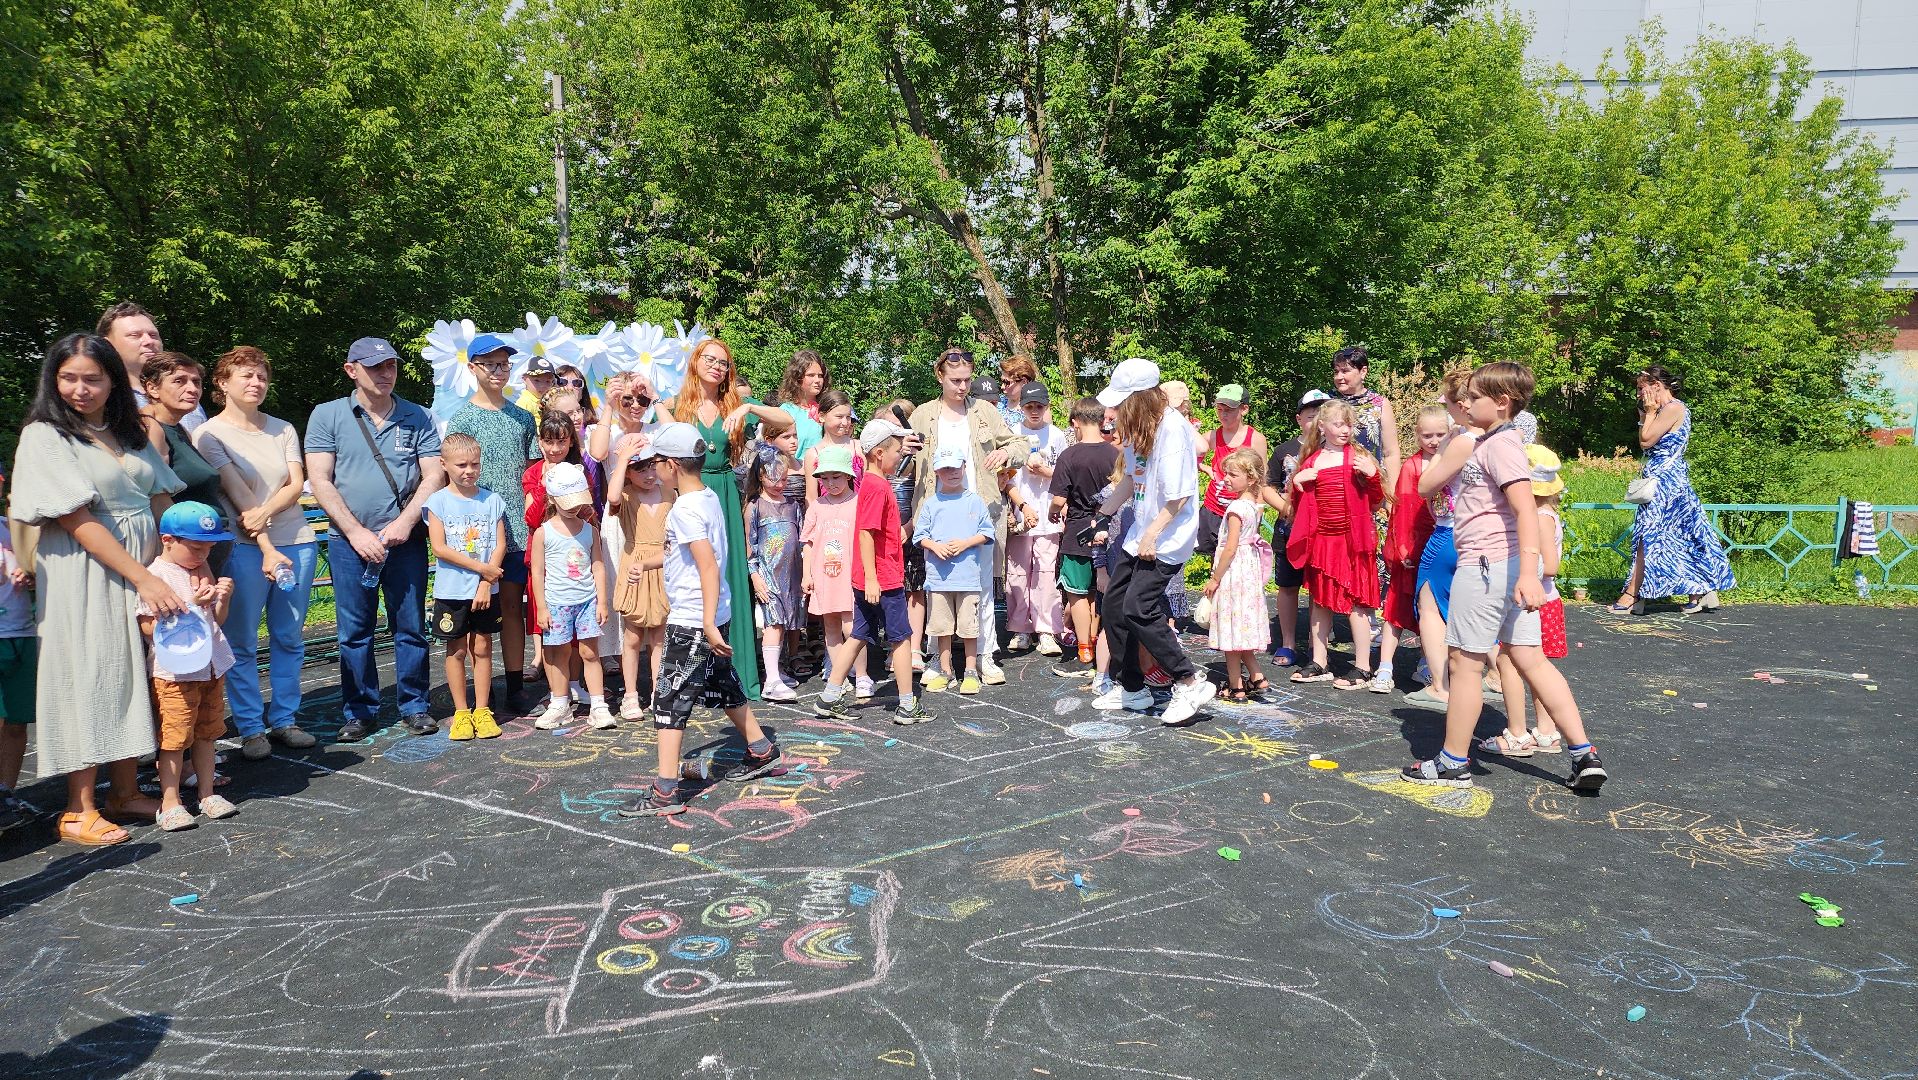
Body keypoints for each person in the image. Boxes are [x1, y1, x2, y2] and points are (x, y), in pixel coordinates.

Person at [11, 333, 186, 846]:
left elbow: (159, 496)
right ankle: (77, 808)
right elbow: (75, 518)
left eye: (93, 378)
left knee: (130, 669)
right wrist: (143, 576)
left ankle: (124, 792)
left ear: (113, 380)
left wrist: (168, 565)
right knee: (89, 673)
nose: (81, 389)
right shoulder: (45, 436)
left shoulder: (126, 432)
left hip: (142, 566)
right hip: (85, 569)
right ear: (53, 379)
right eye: (69, 378)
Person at [1401, 363, 1607, 792]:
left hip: (1486, 566)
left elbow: (1524, 507)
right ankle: (1583, 754)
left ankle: (1452, 761)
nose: (1466, 404)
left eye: (1474, 398)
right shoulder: (1496, 441)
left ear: (1501, 402)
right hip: (1504, 567)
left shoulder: (1495, 445)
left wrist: (1529, 572)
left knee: (1465, 663)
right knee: (1530, 659)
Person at [619, 423, 784, 818]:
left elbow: (708, 567)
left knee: (668, 701)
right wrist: (649, 562)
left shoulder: (685, 509)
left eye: (655, 461)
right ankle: (762, 749)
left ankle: (664, 791)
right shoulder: (705, 497)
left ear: (671, 465)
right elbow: (687, 553)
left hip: (695, 617)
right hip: (713, 612)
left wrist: (707, 624)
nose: (652, 468)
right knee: (723, 684)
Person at [306, 336, 445, 743]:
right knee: (354, 630)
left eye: (391, 366)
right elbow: (319, 479)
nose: (386, 374)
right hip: (349, 542)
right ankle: (359, 710)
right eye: (374, 367)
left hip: (405, 540)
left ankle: (415, 705)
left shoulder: (416, 415)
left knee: (410, 625)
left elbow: (433, 474)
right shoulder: (328, 415)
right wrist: (354, 531)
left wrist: (405, 522)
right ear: (352, 370)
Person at [193, 346, 321, 758]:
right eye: (246, 375)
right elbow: (235, 488)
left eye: (262, 376)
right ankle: (251, 728)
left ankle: (284, 719)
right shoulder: (208, 434)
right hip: (245, 548)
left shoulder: (282, 428)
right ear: (222, 383)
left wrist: (264, 513)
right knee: (243, 640)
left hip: (297, 542)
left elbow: (296, 481)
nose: (256, 383)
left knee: (289, 637)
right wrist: (263, 539)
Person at [661, 338, 794, 702]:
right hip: (690, 495)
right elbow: (663, 441)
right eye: (710, 360)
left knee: (731, 581)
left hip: (724, 496)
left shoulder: (731, 403)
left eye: (723, 363)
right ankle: (693, 677)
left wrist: (749, 407)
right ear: (695, 362)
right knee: (696, 580)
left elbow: (787, 419)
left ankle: (737, 676)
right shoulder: (677, 404)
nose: (717, 367)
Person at [1088, 357, 1217, 726]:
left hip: (1167, 534)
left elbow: (1177, 497)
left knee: (1139, 608)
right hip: (1141, 531)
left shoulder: (1173, 430)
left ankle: (1188, 681)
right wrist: (1102, 515)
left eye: (1121, 401)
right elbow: (1131, 479)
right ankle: (1132, 688)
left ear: (1141, 397)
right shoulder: (1141, 428)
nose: (1114, 409)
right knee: (1114, 606)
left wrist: (1151, 534)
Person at [909, 348, 1026, 686]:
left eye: (967, 380)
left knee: (982, 588)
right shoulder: (922, 415)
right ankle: (937, 659)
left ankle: (986, 656)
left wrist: (1006, 452)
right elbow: (899, 453)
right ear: (939, 377)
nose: (962, 387)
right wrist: (902, 449)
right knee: (937, 590)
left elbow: (1020, 444)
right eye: (955, 380)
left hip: (980, 513)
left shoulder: (986, 411)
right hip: (937, 514)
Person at [814, 419, 934, 725]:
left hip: (872, 576)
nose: (900, 456)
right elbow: (866, 533)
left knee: (858, 634)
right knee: (902, 638)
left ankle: (829, 697)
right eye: (896, 450)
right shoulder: (877, 486)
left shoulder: (870, 484)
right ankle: (908, 705)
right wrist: (872, 577)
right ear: (879, 453)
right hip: (883, 578)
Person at [446, 333, 540, 712]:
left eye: (505, 364)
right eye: (490, 365)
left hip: (517, 530)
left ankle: (515, 685)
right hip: (474, 538)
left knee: (514, 609)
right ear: (473, 369)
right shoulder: (462, 418)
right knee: (476, 612)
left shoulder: (522, 417)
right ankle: (477, 692)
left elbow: (534, 472)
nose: (499, 372)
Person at [137, 502, 240, 831]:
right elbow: (149, 630)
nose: (203, 554)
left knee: (207, 733)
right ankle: (170, 802)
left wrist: (222, 600)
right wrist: (192, 609)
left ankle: (206, 794)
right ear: (168, 540)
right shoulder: (155, 577)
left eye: (209, 547)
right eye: (196, 547)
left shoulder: (202, 567)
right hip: (176, 672)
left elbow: (217, 622)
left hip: (211, 665)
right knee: (174, 736)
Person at [1611, 365, 1734, 615]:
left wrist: (1649, 412)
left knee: (1651, 534)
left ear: (1657, 385)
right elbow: (1647, 446)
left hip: (1667, 482)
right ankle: (1701, 591)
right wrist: (1647, 413)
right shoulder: (1658, 411)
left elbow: (1645, 440)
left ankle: (1633, 594)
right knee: (1680, 534)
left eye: (1641, 388)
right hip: (1662, 479)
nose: (1639, 394)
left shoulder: (1674, 408)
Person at [1284, 400, 1384, 686]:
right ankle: (1319, 661)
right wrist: (1297, 481)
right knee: (1319, 601)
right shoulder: (1313, 460)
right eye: (1339, 424)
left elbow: (1376, 501)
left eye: (1349, 424)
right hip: (1323, 540)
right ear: (1323, 427)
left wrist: (1373, 476)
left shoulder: (1357, 458)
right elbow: (1302, 506)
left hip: (1352, 541)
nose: (1345, 430)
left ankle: (1363, 666)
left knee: (1358, 603)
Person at [1481, 444, 1570, 757]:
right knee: (1533, 667)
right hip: (1542, 599)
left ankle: (1517, 732)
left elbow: (1552, 564)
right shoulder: (1544, 513)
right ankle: (1545, 731)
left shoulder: (1540, 518)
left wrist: (1526, 565)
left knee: (1510, 661)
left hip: (1537, 599)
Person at [425, 433, 508, 741]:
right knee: (457, 649)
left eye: (474, 464)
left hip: (486, 590)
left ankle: (483, 709)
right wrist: (481, 569)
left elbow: (499, 545)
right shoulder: (438, 503)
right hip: (452, 591)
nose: (468, 470)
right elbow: (440, 548)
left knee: (483, 647)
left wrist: (487, 582)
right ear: (444, 465)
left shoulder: (492, 501)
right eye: (461, 465)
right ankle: (462, 712)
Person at [1405, 369, 1478, 709]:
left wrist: (1439, 452)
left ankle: (1439, 685)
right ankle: (1491, 675)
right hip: (1480, 536)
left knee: (1429, 604)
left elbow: (1425, 485)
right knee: (1473, 608)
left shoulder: (1461, 440)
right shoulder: (1494, 437)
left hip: (1450, 531)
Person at [531, 463, 613, 730]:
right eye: (567, 502)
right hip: (556, 604)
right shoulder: (544, 533)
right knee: (558, 653)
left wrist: (602, 600)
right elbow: (538, 573)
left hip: (587, 601)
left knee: (590, 653)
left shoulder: (590, 530)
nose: (574, 507)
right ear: (551, 498)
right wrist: (541, 607)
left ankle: (599, 705)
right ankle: (559, 703)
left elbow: (597, 565)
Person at [1048, 397, 1121, 678]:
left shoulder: (1069, 456)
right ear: (1103, 421)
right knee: (1099, 590)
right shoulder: (1115, 454)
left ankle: (1084, 648)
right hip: (1108, 529)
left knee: (1077, 592)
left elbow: (1058, 498)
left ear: (1075, 422)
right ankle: (1096, 640)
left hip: (1078, 531)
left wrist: (1055, 511)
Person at [915, 444, 994, 695]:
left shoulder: (975, 501)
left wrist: (965, 543)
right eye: (945, 468)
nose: (951, 472)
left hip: (968, 577)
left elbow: (986, 533)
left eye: (955, 466)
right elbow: (920, 536)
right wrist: (935, 547)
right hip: (939, 579)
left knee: (970, 627)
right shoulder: (931, 503)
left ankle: (971, 670)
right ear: (936, 472)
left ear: (964, 467)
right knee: (941, 627)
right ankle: (945, 670)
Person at [1259, 390, 1326, 667]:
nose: (1316, 422)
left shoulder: (1333, 451)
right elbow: (1267, 486)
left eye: (1322, 416)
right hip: (1288, 529)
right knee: (1288, 586)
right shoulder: (1283, 450)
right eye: (1311, 416)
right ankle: (1287, 643)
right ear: (1299, 420)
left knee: (1317, 588)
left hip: (1322, 531)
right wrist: (1287, 509)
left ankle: (1316, 645)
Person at [607, 439, 672, 720]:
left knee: (659, 636)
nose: (648, 474)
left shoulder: (670, 493)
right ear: (629, 472)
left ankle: (659, 691)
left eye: (651, 467)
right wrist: (621, 460)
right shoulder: (627, 496)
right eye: (639, 468)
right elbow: (611, 499)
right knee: (632, 635)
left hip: (664, 565)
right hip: (635, 565)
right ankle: (630, 694)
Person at [1381, 406, 1446, 688]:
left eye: (1440, 434)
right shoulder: (1412, 466)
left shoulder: (1453, 462)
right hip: (1414, 545)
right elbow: (1403, 511)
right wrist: (1403, 548)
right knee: (1396, 606)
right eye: (1427, 435)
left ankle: (1426, 663)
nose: (1433, 440)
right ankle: (1384, 667)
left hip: (1441, 543)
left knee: (1434, 609)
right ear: (1417, 436)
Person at [1203, 448, 1274, 703]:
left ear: (1251, 478)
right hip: (1248, 571)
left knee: (1231, 632)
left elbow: (1230, 547)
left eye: (1233, 475)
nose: (1226, 480)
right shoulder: (1254, 506)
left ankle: (1236, 686)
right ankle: (1257, 677)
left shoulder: (1235, 508)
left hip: (1234, 573)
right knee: (1241, 628)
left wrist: (1215, 578)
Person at [137, 354, 225, 558]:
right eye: (179, 381)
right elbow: (156, 497)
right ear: (152, 388)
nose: (192, 389)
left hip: (207, 545)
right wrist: (190, 559)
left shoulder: (180, 430)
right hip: (187, 551)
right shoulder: (150, 428)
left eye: (196, 382)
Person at [1005, 382, 1067, 656]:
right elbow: (1004, 478)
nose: (1034, 411)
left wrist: (1046, 471)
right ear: (1021, 407)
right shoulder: (1012, 435)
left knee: (1044, 574)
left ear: (1047, 407)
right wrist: (1022, 505)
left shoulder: (1057, 436)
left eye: (1039, 406)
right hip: (1020, 516)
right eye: (1029, 406)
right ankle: (1020, 627)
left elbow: (1066, 478)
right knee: (1017, 574)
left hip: (1048, 517)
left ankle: (1045, 630)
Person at [745, 433, 805, 702]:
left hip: (791, 575)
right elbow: (750, 546)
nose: (780, 484)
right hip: (768, 575)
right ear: (760, 476)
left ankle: (776, 670)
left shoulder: (793, 505)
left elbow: (802, 540)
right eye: (773, 479)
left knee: (787, 623)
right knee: (774, 623)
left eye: (784, 479)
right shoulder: (755, 506)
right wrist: (755, 576)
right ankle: (771, 680)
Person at [0, 467, 39, 832]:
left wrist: (29, 575)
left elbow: (35, 564)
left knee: (16, 722)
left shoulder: (10, 528)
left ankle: (7, 793)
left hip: (22, 633)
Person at [100, 301, 205, 430]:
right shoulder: (105, 399)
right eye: (135, 335)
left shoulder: (187, 394)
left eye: (153, 335)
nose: (149, 341)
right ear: (108, 345)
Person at [802, 445, 860, 673]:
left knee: (853, 627)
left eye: (836, 476)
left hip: (851, 576)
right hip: (825, 576)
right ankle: (839, 674)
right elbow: (807, 542)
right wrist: (807, 574)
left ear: (847, 475)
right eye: (824, 478)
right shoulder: (816, 506)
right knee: (831, 626)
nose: (830, 483)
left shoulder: (858, 502)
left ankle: (861, 673)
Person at [1198, 384, 1270, 555]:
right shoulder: (1212, 436)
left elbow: (1261, 478)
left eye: (1229, 410)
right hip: (1213, 508)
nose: (1223, 415)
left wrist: (1258, 509)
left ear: (1244, 409)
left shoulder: (1256, 439)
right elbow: (1188, 456)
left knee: (1239, 556)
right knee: (1214, 560)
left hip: (1240, 510)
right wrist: (1206, 468)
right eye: (1220, 409)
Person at [1328, 346, 1400, 490]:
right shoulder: (1327, 403)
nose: (1339, 377)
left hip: (1372, 487)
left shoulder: (1379, 404)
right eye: (1336, 372)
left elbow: (1391, 452)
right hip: (1334, 486)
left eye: (1345, 371)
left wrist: (1392, 493)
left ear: (1363, 371)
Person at [802, 389, 861, 503]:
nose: (845, 422)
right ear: (822, 416)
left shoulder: (858, 447)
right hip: (828, 516)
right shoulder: (813, 453)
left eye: (848, 417)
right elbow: (811, 497)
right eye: (839, 417)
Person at [774, 349, 831, 462]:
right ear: (797, 378)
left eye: (820, 375)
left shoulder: (830, 409)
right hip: (797, 476)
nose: (817, 380)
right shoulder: (786, 412)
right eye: (811, 375)